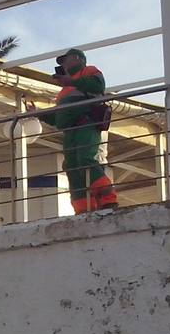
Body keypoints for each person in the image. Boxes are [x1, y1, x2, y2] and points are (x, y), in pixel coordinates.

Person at [28, 48, 118, 214]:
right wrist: (38, 114)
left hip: (86, 124)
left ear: (78, 58)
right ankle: (82, 208)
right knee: (72, 166)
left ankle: (108, 198)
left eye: (65, 60)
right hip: (70, 131)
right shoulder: (63, 92)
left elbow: (98, 85)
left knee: (85, 159)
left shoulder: (89, 71)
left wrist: (70, 81)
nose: (63, 64)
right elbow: (57, 118)